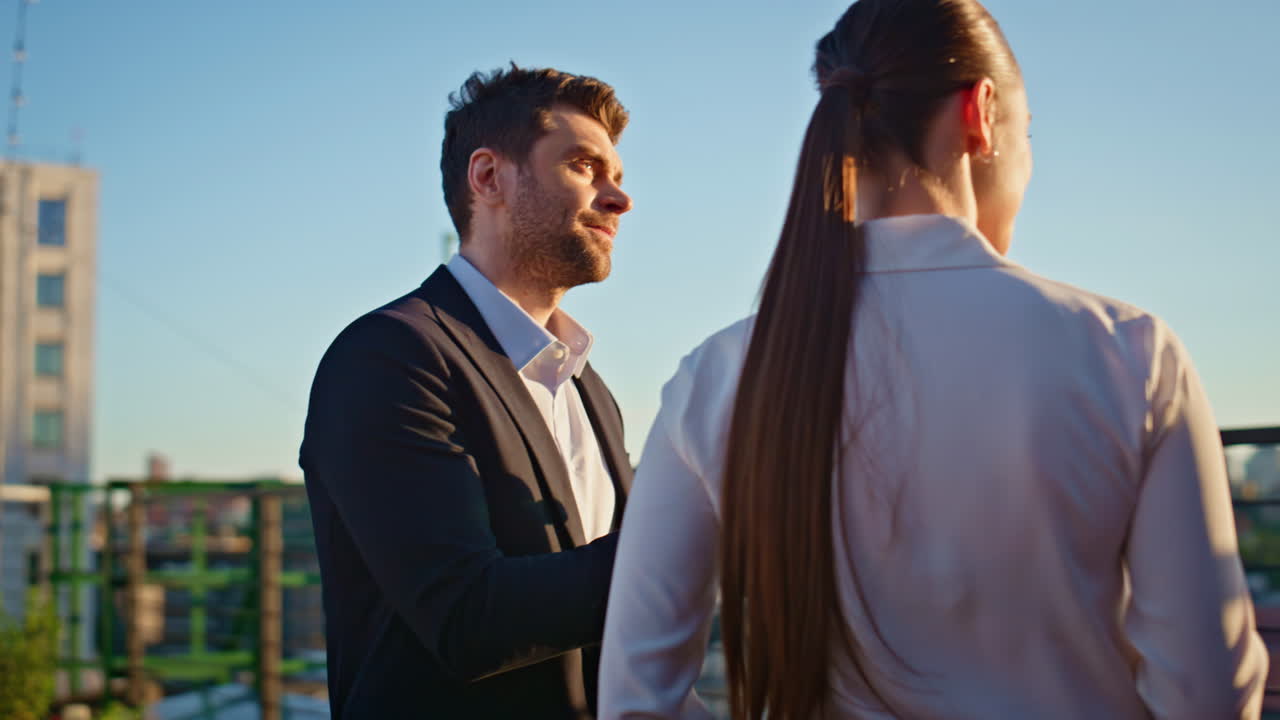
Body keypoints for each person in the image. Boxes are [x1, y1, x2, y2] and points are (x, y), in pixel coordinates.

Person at [598, 1, 1268, 718]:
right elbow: (1205, 692)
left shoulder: (716, 376)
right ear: (981, 113)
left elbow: (637, 700)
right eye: (1027, 132)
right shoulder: (1128, 352)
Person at [301, 64, 634, 719]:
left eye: (617, 176)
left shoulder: (588, 388)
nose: (619, 198)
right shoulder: (388, 355)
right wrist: (694, 536)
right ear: (488, 177)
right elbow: (466, 617)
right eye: (584, 166)